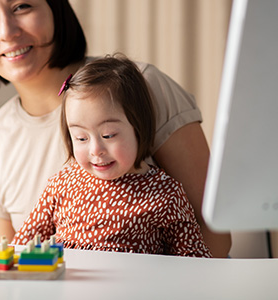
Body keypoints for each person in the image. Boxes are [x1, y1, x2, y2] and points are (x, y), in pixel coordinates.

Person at [0, 0, 231, 257]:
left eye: (22, 6)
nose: (7, 31)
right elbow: (14, 259)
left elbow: (212, 235)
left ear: (56, 10)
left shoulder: (142, 87)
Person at [12, 55, 212, 258]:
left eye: (108, 135)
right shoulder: (60, 185)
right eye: (81, 138)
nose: (95, 149)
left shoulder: (166, 194)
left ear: (138, 129)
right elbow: (21, 245)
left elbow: (194, 260)